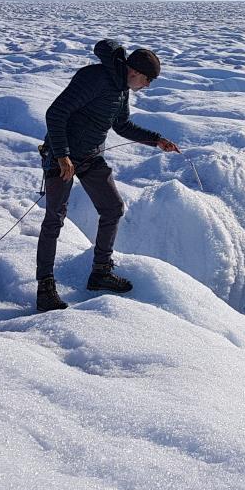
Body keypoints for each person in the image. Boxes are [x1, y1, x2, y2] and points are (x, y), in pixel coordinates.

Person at [35, 39, 179, 312]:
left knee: (112, 208)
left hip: (90, 156)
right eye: (147, 81)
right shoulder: (95, 78)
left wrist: (156, 139)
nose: (146, 87)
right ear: (135, 72)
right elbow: (56, 113)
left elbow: (122, 125)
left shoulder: (122, 89)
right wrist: (63, 155)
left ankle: (100, 272)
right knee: (54, 219)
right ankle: (45, 287)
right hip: (61, 157)